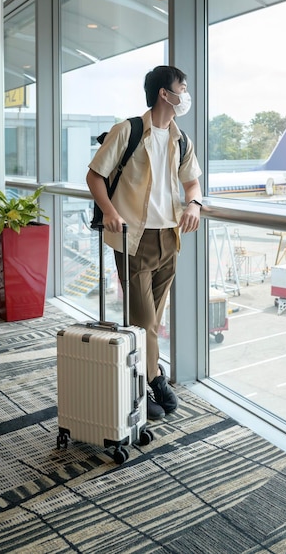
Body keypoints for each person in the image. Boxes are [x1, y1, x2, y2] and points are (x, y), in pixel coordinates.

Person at [86, 65, 203, 420]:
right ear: (164, 94)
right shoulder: (129, 130)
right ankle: (149, 380)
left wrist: (194, 203)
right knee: (144, 322)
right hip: (133, 239)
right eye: (182, 87)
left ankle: (149, 378)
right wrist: (108, 211)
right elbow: (95, 175)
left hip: (170, 238)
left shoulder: (180, 140)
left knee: (152, 321)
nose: (186, 94)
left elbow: (192, 184)